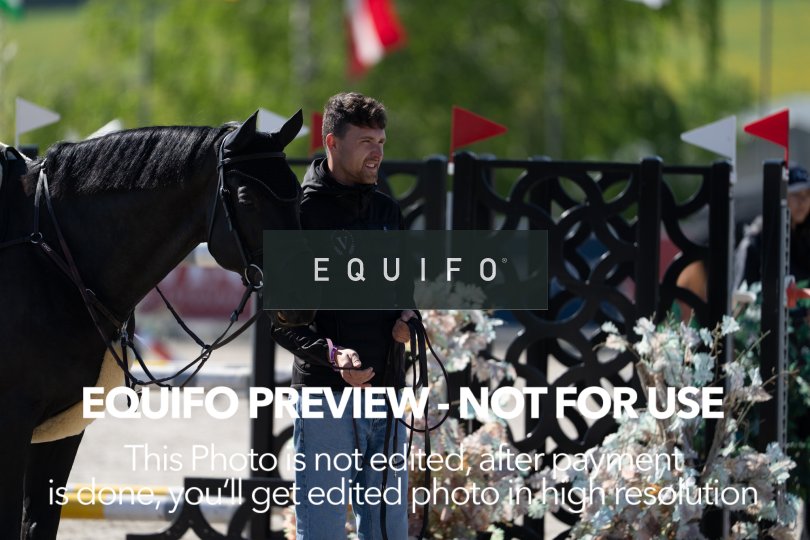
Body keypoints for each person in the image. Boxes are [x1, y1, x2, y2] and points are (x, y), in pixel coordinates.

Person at [271, 93, 414, 540]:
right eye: (366, 141)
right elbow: (281, 321)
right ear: (332, 142)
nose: (377, 153)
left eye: (382, 142)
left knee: (389, 531)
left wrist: (409, 319)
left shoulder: (388, 211)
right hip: (324, 397)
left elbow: (405, 294)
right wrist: (333, 356)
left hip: (389, 392)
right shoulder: (299, 213)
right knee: (323, 531)